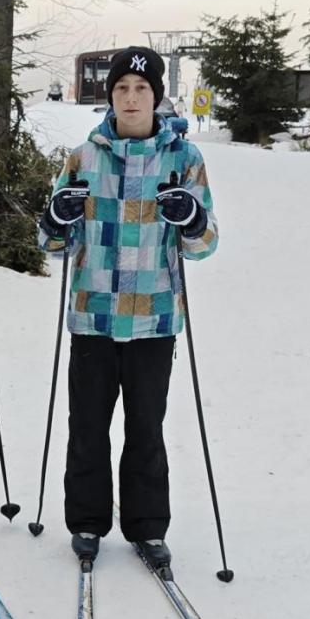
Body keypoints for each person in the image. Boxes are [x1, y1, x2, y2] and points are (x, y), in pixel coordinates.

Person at [38, 45, 218, 568]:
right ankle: (88, 522)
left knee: (147, 428)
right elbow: (53, 246)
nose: (131, 98)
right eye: (121, 89)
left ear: (157, 97)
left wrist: (191, 220)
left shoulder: (185, 160)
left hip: (153, 320)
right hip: (92, 316)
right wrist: (56, 219)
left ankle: (146, 527)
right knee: (87, 427)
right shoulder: (82, 158)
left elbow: (204, 246)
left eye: (141, 89)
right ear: (110, 96)